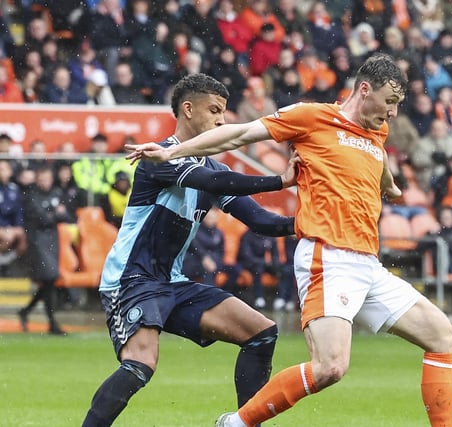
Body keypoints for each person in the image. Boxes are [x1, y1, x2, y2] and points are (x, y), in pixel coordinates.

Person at [127, 54, 452, 427]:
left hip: (369, 263)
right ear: (364, 90)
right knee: (330, 367)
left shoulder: (375, 131)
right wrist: (172, 152)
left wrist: (391, 187)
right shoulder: (311, 116)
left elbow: (378, 161)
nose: (393, 114)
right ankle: (236, 423)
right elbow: (239, 133)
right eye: (389, 103)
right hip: (328, 257)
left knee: (443, 335)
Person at [81, 73, 299, 426]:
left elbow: (260, 221)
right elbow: (213, 182)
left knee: (261, 334)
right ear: (187, 109)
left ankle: (245, 424)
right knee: (140, 365)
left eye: (224, 113)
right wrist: (279, 181)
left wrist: (306, 223)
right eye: (214, 110)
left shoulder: (213, 166)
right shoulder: (159, 158)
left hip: (173, 283)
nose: (221, 121)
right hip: (132, 280)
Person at [18, 165, 75, 334]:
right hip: (37, 242)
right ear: (37, 179)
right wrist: (55, 214)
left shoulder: (56, 193)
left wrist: (53, 214)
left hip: (52, 242)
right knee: (49, 278)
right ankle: (52, 323)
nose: (45, 182)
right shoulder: (31, 195)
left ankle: (26, 311)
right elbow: (42, 218)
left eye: (48, 179)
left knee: (49, 280)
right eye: (42, 179)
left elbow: (68, 216)